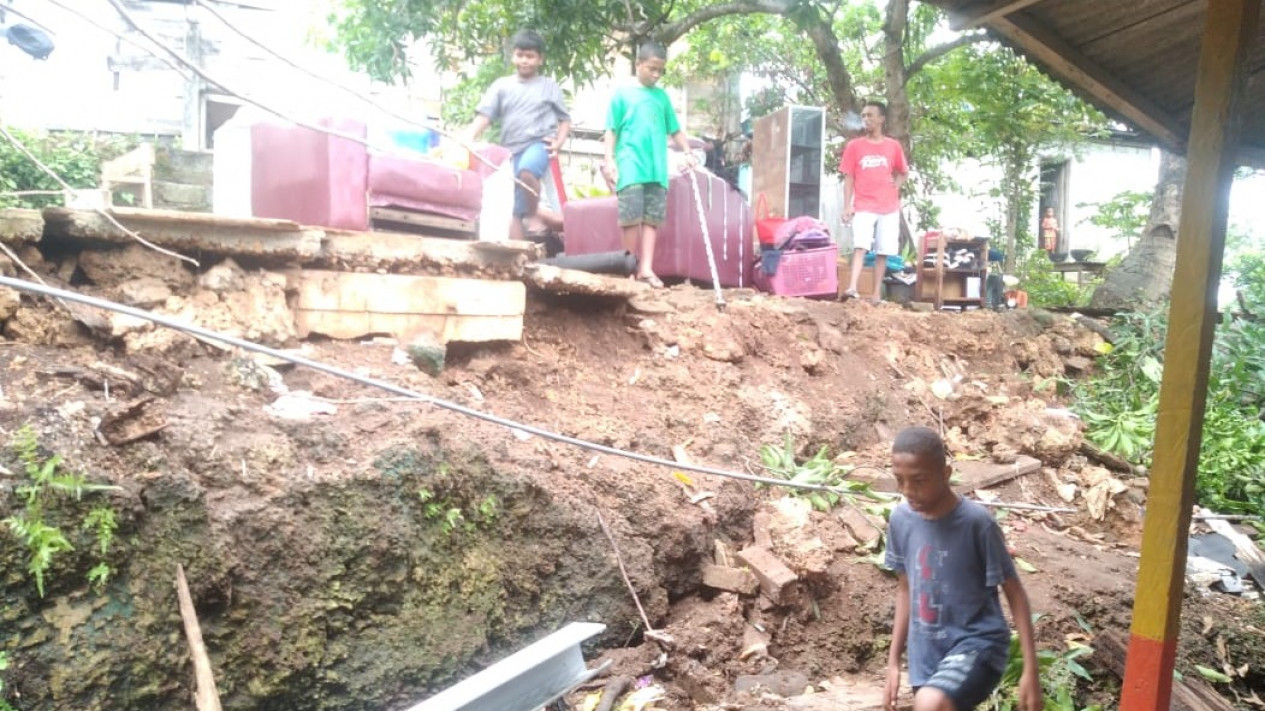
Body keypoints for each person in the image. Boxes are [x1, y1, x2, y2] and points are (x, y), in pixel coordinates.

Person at [884, 426, 1042, 711]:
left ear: (946, 474)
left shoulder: (976, 523)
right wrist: (893, 662)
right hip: (926, 656)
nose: (908, 490)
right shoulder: (900, 520)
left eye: (919, 480)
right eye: (900, 480)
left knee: (931, 703)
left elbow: (1014, 593)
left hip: (979, 643)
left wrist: (1031, 670)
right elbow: (905, 589)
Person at [602, 41, 697, 288]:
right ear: (638, 65)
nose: (655, 74)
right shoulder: (622, 95)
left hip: (657, 169)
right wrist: (609, 160)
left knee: (652, 219)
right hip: (631, 165)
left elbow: (675, 130)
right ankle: (628, 268)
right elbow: (611, 130)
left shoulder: (661, 97)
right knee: (631, 217)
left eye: (660, 70)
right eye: (651, 68)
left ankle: (646, 268)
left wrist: (688, 151)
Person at [467, 29, 571, 241]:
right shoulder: (501, 86)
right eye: (520, 55)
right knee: (511, 209)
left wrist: (558, 142)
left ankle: (534, 215)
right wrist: (467, 137)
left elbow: (565, 120)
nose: (524, 60)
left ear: (540, 59)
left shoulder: (548, 86)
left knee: (527, 172)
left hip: (538, 144)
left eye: (530, 56)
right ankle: (519, 257)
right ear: (513, 56)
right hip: (510, 152)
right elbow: (485, 116)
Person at [840, 101, 908, 303]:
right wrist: (847, 205)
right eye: (863, 116)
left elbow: (903, 172)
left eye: (870, 115)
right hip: (863, 205)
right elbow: (849, 177)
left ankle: (876, 294)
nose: (866, 119)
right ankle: (852, 288)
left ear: (881, 119)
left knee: (883, 251)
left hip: (889, 207)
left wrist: (895, 185)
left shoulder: (892, 146)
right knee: (860, 245)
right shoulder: (854, 146)